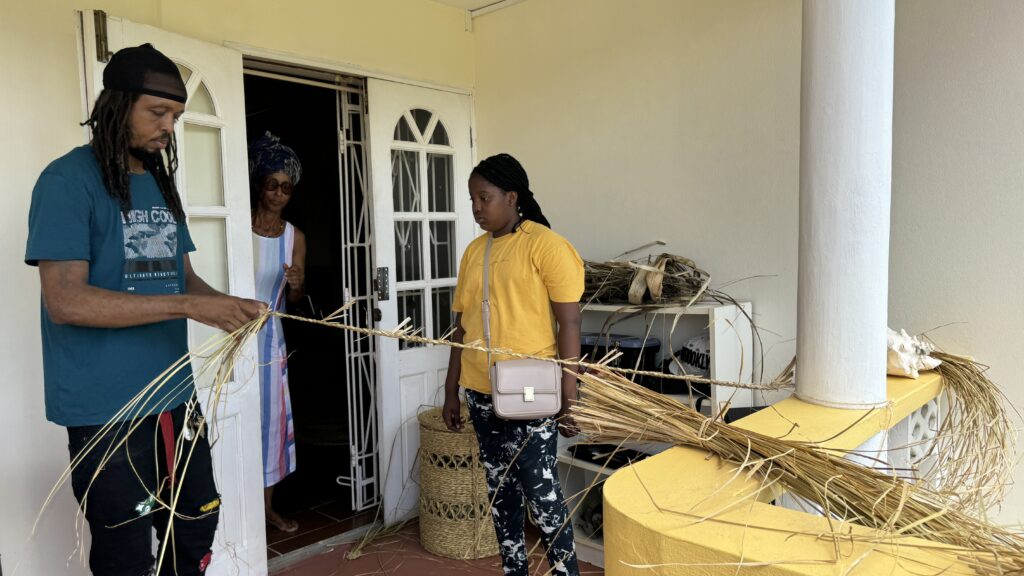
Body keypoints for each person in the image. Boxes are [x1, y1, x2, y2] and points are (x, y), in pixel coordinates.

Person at [24, 44, 265, 576]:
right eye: (157, 113)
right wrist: (186, 306)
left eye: (175, 116)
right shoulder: (66, 182)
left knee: (197, 520)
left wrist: (222, 304)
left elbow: (180, 275)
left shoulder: (157, 181)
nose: (168, 128)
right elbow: (65, 300)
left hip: (174, 397)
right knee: (126, 552)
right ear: (117, 104)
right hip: (106, 409)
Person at [442, 153, 584, 576]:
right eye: (472, 200)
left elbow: (570, 324)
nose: (477, 208)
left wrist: (569, 398)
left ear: (511, 196)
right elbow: (460, 328)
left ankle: (565, 571)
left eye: (484, 198)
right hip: (480, 389)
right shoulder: (473, 253)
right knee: (499, 490)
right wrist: (451, 390)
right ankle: (514, 569)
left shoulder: (547, 246)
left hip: (532, 390)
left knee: (542, 494)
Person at [248, 132, 307, 533]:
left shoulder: (294, 237)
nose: (279, 193)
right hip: (229, 336)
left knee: (269, 425)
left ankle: (266, 509)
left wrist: (298, 281)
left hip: (270, 341)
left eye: (286, 187)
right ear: (259, 184)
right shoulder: (236, 227)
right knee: (233, 420)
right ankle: (235, 509)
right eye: (272, 184)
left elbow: (297, 296)